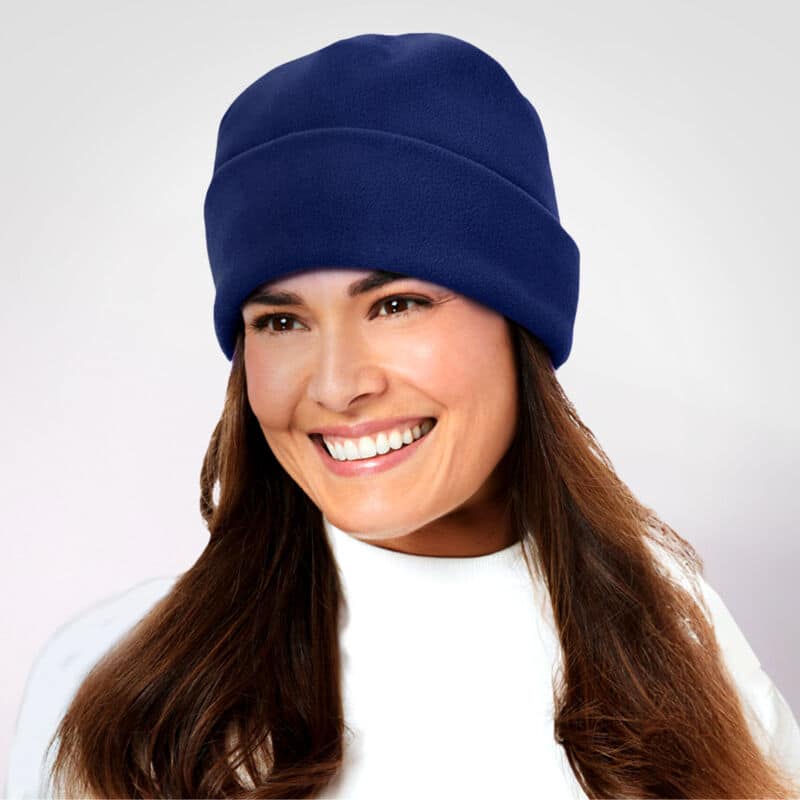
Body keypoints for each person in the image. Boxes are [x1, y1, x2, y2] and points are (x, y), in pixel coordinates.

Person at [6, 32, 800, 799]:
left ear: (520, 323)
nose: (337, 385)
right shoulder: (118, 688)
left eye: (396, 304)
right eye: (279, 321)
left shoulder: (675, 639)